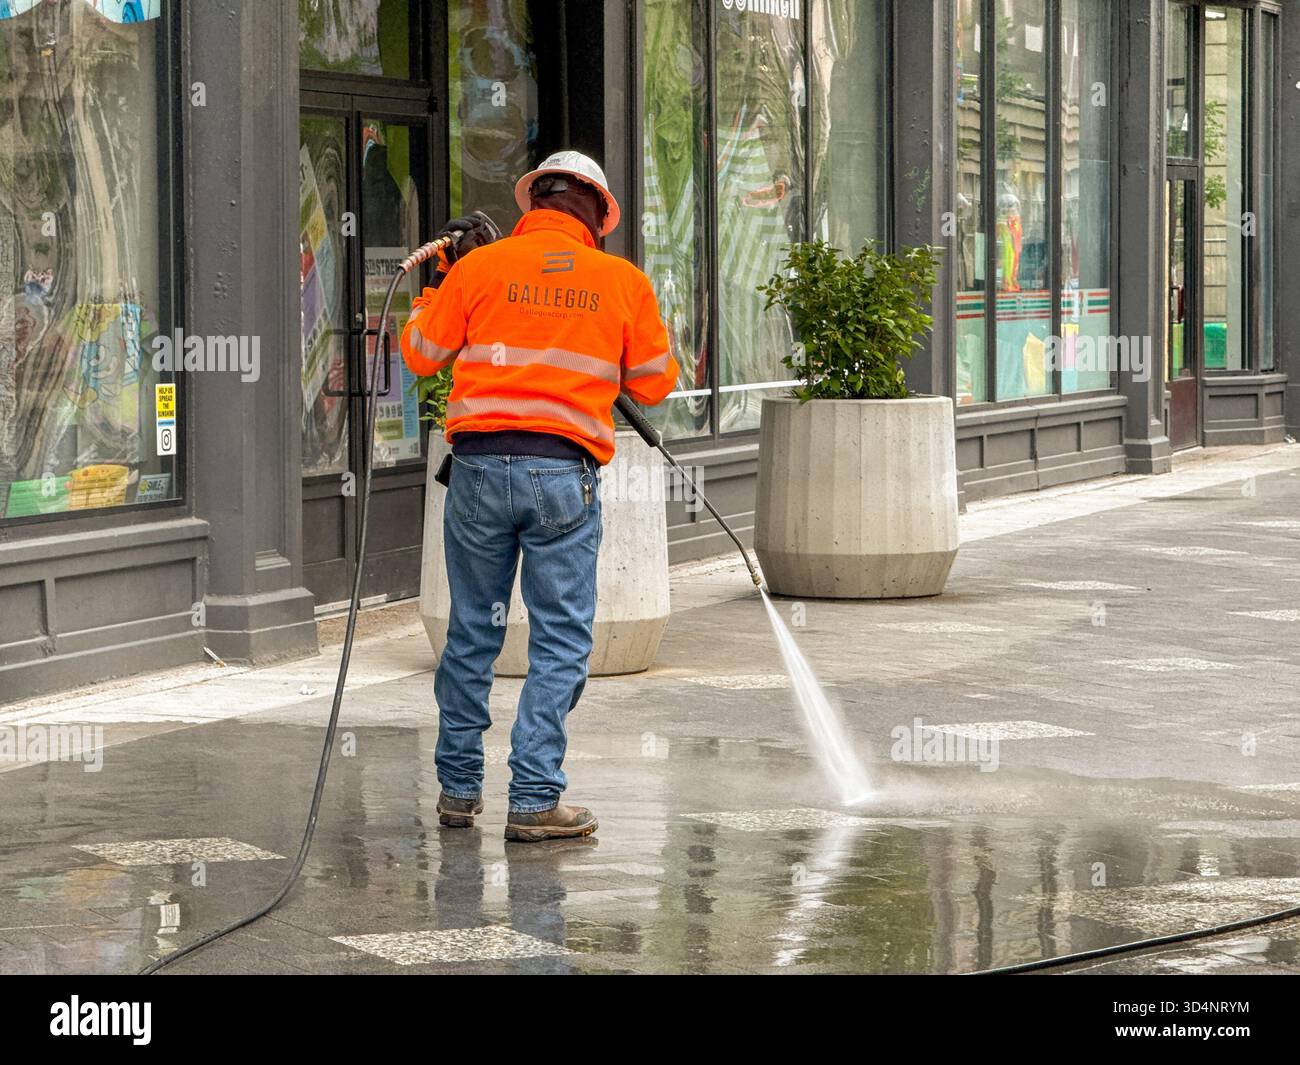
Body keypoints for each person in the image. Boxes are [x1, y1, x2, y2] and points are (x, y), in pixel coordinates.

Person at [399, 151, 678, 842]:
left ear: (532, 206)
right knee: (558, 638)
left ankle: (459, 790)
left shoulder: (477, 270)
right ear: (598, 217)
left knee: (472, 629)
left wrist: (440, 284)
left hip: (478, 471)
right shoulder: (621, 281)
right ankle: (532, 796)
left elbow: (420, 354)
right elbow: (654, 384)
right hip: (562, 477)